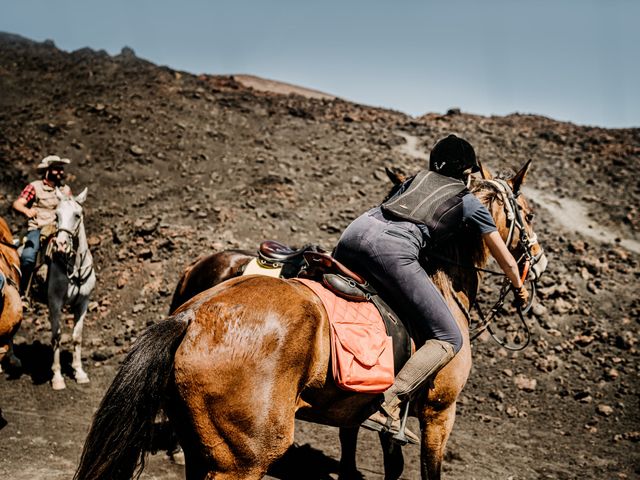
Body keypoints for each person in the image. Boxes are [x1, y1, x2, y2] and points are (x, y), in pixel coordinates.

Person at [333, 134, 529, 443]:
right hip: (390, 251)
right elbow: (503, 257)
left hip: (352, 235)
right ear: (467, 172)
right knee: (450, 337)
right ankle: (388, 405)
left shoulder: (413, 180)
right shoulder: (468, 201)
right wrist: (519, 286)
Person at [12, 155, 72, 295]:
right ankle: (23, 293)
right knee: (28, 257)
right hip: (38, 228)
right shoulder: (34, 186)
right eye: (56, 169)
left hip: (59, 229)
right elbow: (17, 203)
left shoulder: (65, 190)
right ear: (47, 170)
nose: (60, 172)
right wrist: (26, 210)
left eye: (61, 169)